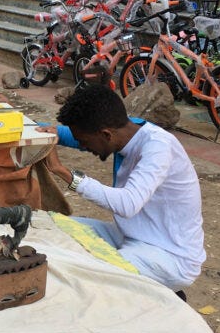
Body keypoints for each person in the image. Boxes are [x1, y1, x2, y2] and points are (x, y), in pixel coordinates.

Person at [50, 83, 205, 291]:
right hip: (132, 237)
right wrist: (33, 128)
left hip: (170, 257)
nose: (83, 147)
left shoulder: (158, 147)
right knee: (55, 227)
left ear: (106, 135)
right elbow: (71, 134)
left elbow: (128, 204)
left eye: (85, 142)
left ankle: (162, 297)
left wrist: (62, 171)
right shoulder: (127, 130)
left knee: (84, 275)